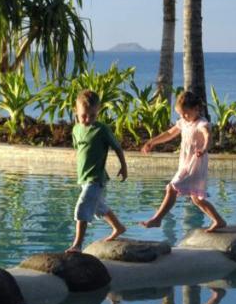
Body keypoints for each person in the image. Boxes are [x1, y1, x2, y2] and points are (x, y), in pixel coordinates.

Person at [139, 90, 227, 232]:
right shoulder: (183, 123)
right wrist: (152, 142)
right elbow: (169, 133)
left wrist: (204, 148)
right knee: (197, 199)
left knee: (172, 188)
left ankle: (157, 219)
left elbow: (207, 136)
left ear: (196, 109)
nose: (183, 117)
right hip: (184, 165)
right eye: (180, 114)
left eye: (186, 113)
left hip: (195, 165)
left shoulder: (201, 123)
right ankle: (219, 221)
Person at [67, 90, 128, 253]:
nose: (88, 119)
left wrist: (124, 166)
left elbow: (118, 148)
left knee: (81, 208)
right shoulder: (76, 130)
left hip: (96, 179)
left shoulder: (101, 129)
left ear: (98, 112)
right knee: (98, 208)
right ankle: (118, 227)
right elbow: (80, 150)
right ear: (76, 111)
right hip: (84, 178)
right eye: (84, 116)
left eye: (92, 116)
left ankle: (77, 245)